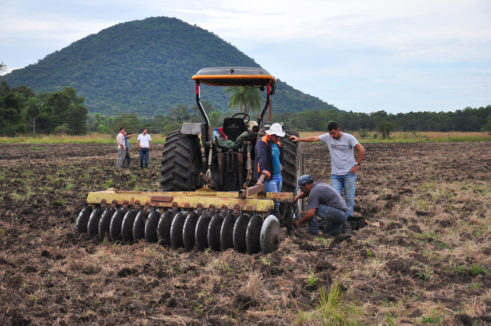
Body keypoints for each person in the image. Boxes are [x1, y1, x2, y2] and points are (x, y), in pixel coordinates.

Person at [290, 122, 365, 217]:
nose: (332, 136)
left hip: (349, 173)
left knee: (349, 197)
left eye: (334, 133)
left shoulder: (349, 138)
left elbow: (361, 150)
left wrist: (357, 165)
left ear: (338, 130)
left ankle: (348, 218)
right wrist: (299, 139)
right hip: (335, 175)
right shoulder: (328, 137)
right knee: (333, 198)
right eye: (330, 133)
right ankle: (336, 218)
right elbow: (314, 138)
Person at [254, 123, 285, 193]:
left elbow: (281, 155)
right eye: (276, 136)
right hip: (269, 178)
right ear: (270, 135)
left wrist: (282, 164)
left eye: (279, 136)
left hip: (278, 176)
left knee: (278, 200)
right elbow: (261, 156)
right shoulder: (263, 142)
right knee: (272, 200)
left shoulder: (278, 143)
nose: (278, 138)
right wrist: (264, 169)